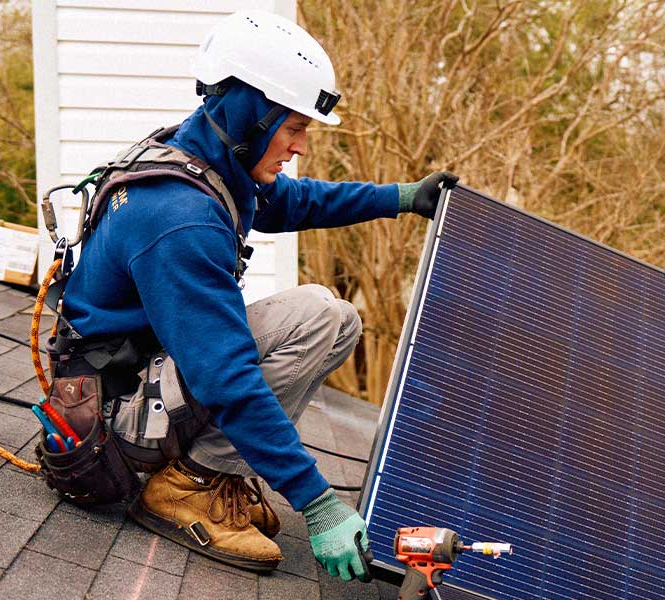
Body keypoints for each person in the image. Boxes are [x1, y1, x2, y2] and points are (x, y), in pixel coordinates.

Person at [54, 11, 449, 579]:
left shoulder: (208, 159)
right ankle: (190, 485)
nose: (302, 146)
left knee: (335, 318)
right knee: (315, 317)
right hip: (116, 419)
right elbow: (225, 375)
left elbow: (297, 201)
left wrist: (402, 197)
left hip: (148, 377)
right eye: (292, 128)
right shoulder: (179, 218)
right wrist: (317, 503)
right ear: (249, 116)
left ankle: (214, 469)